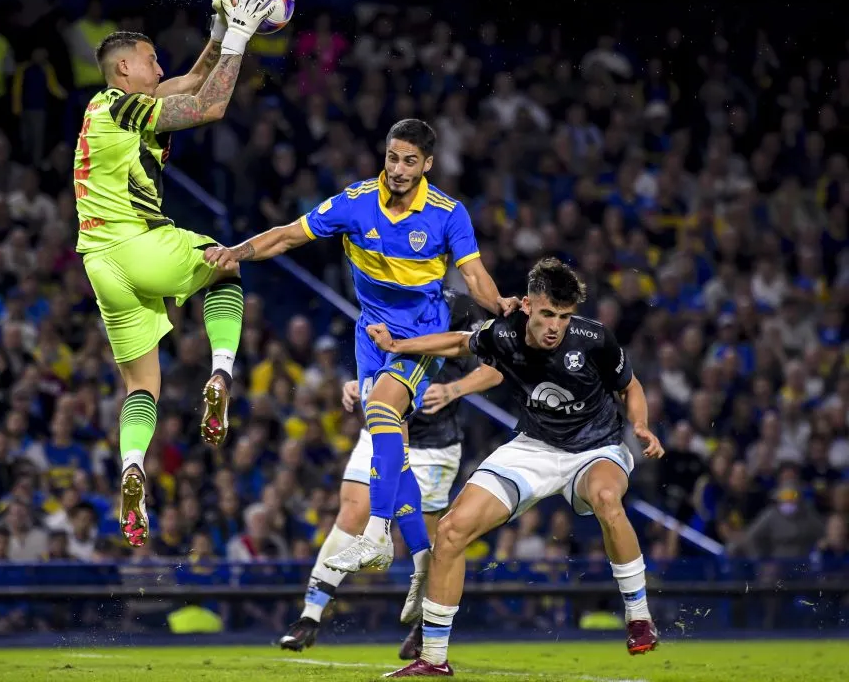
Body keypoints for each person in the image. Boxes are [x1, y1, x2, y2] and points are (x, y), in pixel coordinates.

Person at [205, 119, 514, 578]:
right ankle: (421, 557)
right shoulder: (356, 202)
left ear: (428, 164)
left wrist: (502, 304)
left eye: (410, 161)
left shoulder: (449, 213)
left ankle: (377, 534)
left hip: (419, 336)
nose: (399, 169)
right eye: (393, 157)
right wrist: (236, 251)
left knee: (383, 411)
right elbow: (288, 235)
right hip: (370, 336)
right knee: (391, 446)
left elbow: (474, 278)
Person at [368, 258, 665, 677]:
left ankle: (638, 616)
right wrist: (398, 346)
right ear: (527, 305)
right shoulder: (503, 334)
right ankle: (433, 659)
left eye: (563, 317)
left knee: (605, 497)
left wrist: (641, 425)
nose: (555, 326)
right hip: (533, 447)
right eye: (547, 314)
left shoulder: (594, 338)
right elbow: (459, 343)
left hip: (595, 448)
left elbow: (630, 386)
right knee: (451, 531)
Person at [73, 0, 281, 547]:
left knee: (141, 385)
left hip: (99, 264)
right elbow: (209, 106)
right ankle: (221, 372)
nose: (159, 67)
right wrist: (240, 39)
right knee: (226, 262)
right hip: (137, 242)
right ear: (124, 69)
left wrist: (217, 35)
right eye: (151, 60)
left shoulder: (104, 107)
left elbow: (189, 82)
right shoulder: (123, 107)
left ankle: (131, 467)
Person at [279, 290, 504, 657]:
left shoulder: (459, 305)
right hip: (381, 430)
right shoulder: (384, 294)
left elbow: (498, 366)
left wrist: (454, 389)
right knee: (352, 512)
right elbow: (379, 358)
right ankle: (311, 615)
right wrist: (362, 384)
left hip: (433, 443)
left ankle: (426, 625)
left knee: (432, 538)